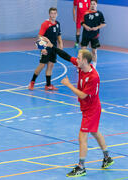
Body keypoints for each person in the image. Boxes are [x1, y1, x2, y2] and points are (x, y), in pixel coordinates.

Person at [42, 36, 114, 177]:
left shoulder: (93, 77)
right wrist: (52, 47)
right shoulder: (82, 66)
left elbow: (83, 95)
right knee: (94, 132)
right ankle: (107, 158)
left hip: (92, 109)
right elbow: (66, 56)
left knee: (82, 137)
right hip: (88, 108)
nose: (77, 59)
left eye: (79, 58)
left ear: (85, 61)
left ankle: (81, 166)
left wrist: (68, 84)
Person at [28, 7, 63, 91]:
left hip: (53, 48)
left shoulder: (57, 23)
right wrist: (42, 48)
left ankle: (48, 85)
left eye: (55, 13)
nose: (53, 15)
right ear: (49, 14)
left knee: (51, 65)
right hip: (46, 48)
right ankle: (32, 82)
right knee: (42, 65)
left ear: (57, 14)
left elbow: (59, 36)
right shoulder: (45, 24)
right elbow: (39, 37)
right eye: (52, 13)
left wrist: (61, 44)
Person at [81, 0, 106, 68]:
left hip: (95, 35)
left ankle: (94, 67)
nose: (92, 5)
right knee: (83, 51)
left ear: (96, 5)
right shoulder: (85, 13)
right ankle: (81, 66)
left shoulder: (99, 13)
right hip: (85, 35)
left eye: (94, 4)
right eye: (91, 4)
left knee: (94, 52)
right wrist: (86, 26)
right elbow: (82, 22)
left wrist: (97, 27)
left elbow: (104, 24)